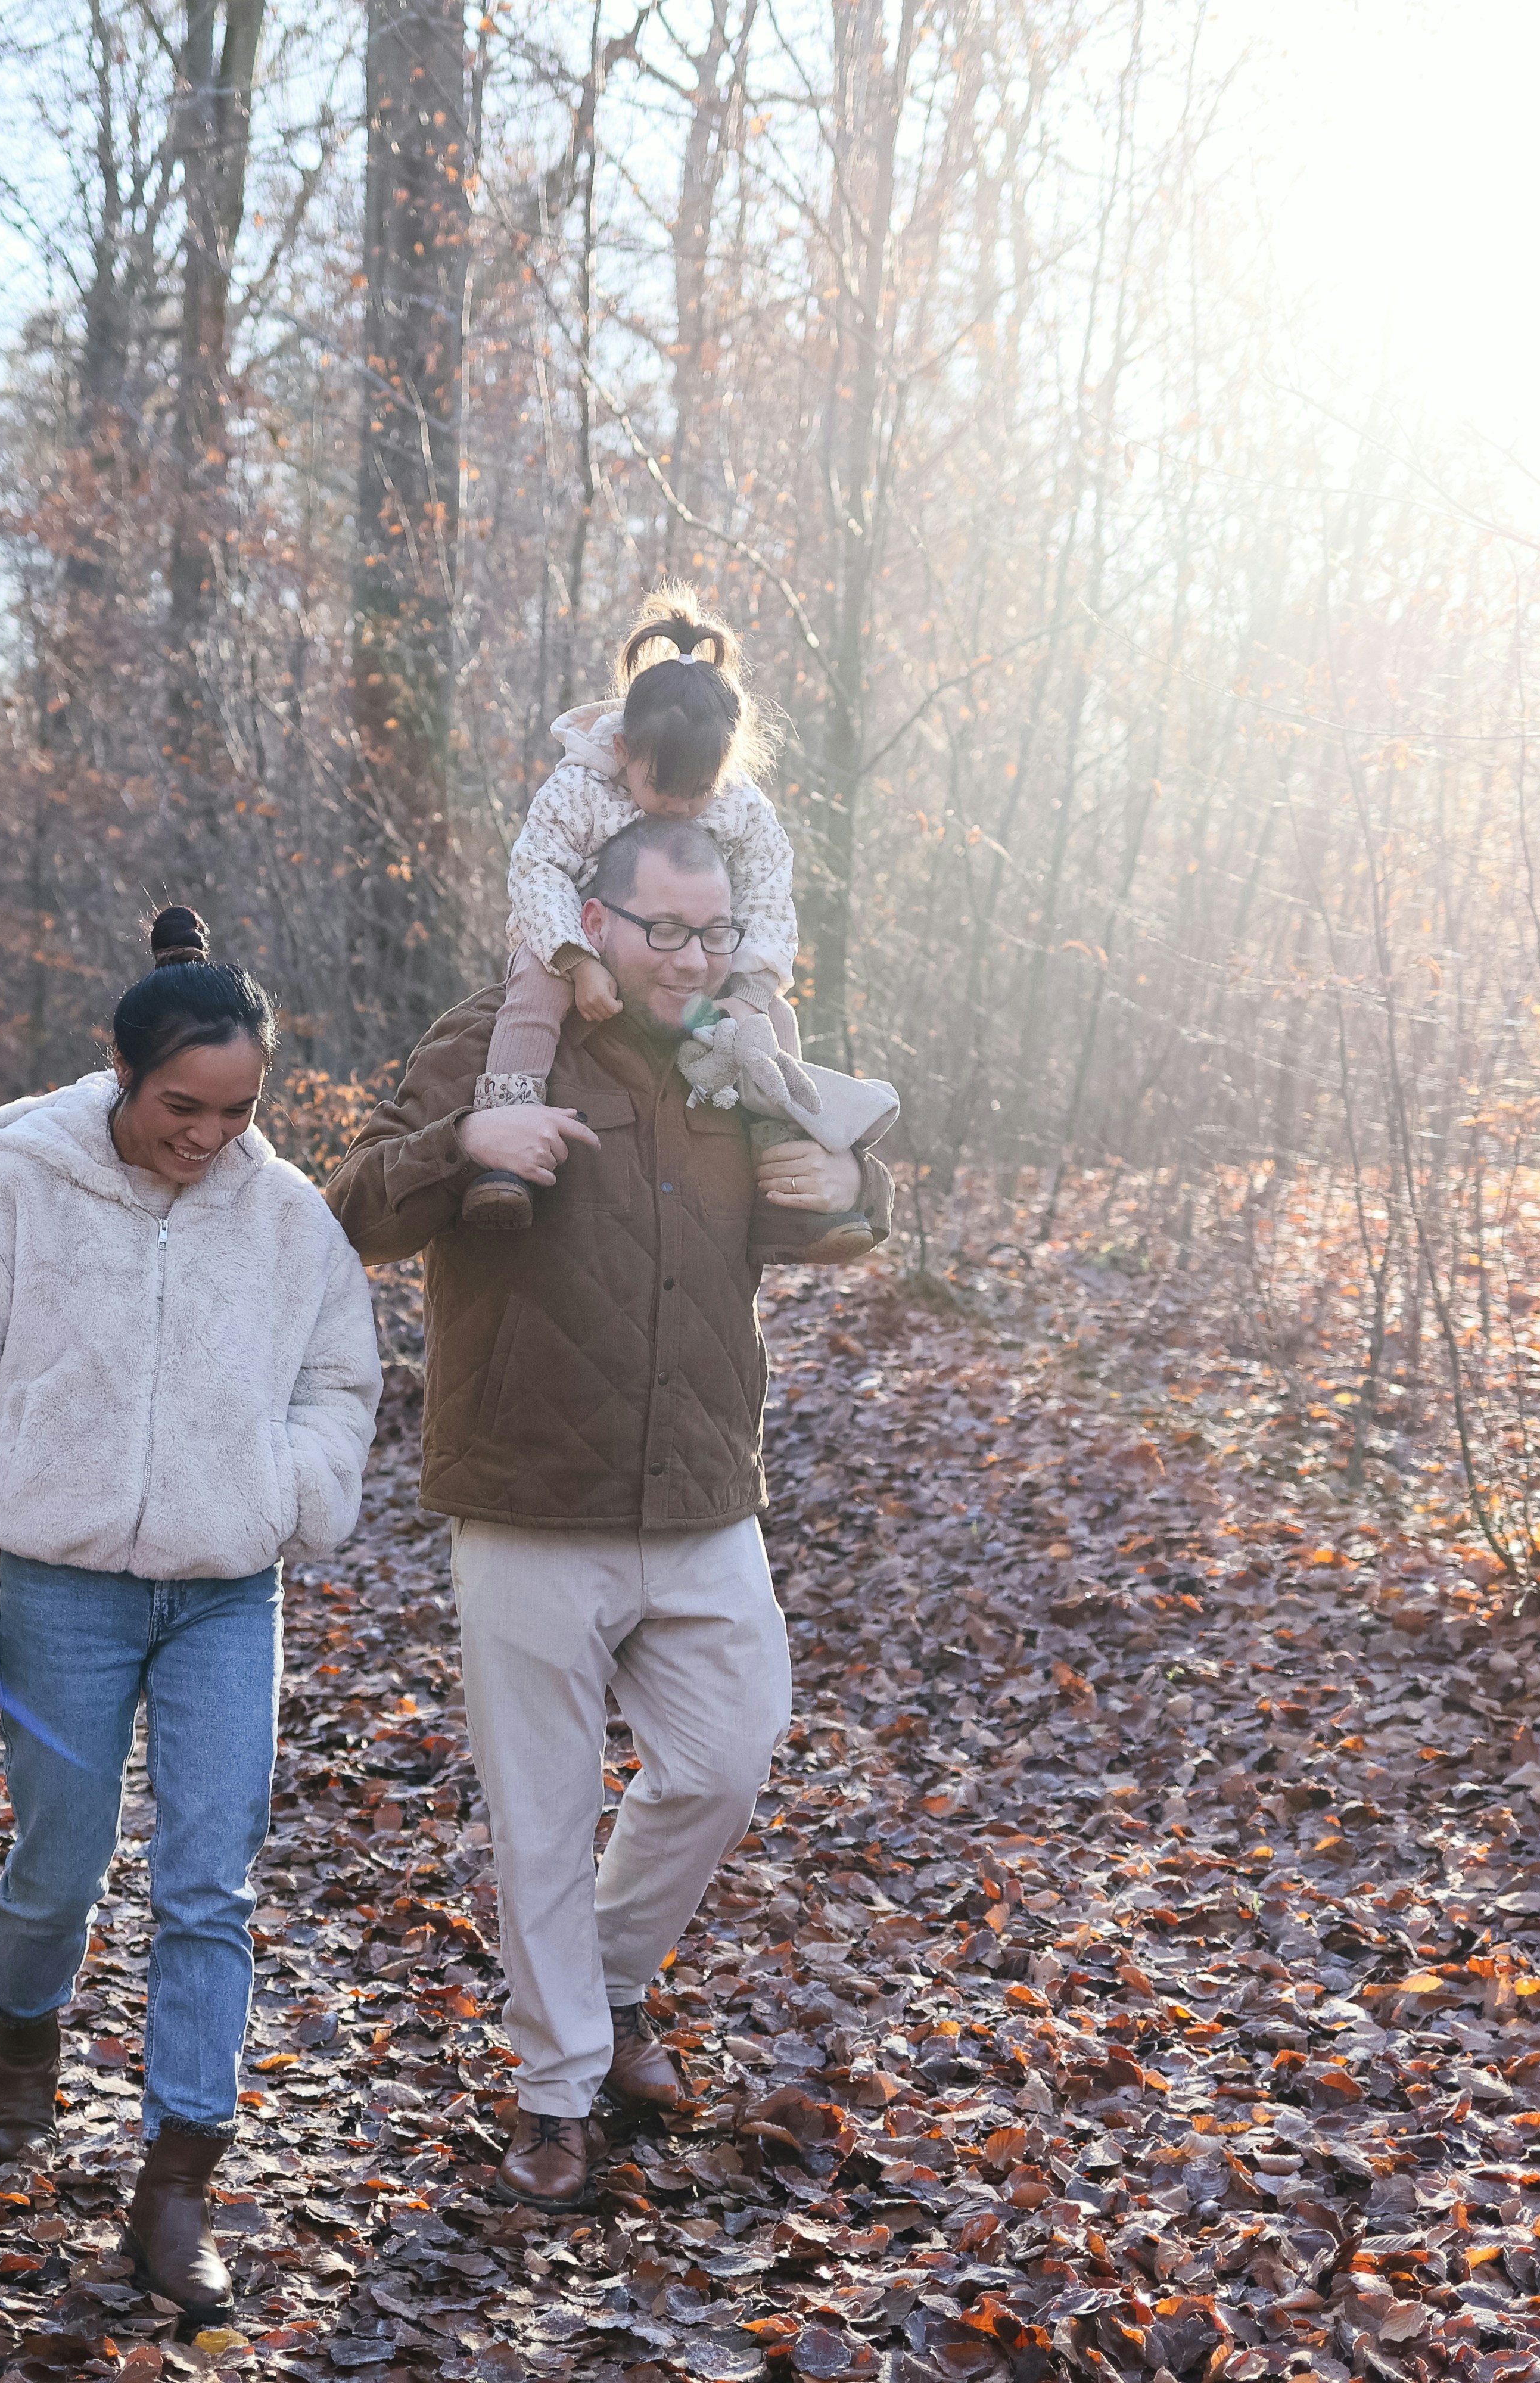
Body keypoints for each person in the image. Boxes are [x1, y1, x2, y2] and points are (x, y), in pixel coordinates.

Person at [322, 816, 891, 2213]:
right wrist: (469, 1136)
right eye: (663, 932)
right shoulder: (495, 1032)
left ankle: (613, 1984)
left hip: (702, 1485)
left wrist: (854, 1191)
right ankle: (557, 2090)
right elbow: (350, 1203)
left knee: (727, 1755)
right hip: (528, 1491)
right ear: (594, 917)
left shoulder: (744, 1045)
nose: (691, 960)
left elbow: (823, 1205)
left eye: (713, 933)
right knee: (542, 1813)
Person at [0, 907, 381, 2323]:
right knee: (57, 1861)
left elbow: (340, 1379)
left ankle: (177, 2177)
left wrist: (294, 1481)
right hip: (62, 1588)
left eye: (238, 1110)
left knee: (211, 1880)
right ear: (120, 1077)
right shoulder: (11, 1196)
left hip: (224, 1595)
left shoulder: (285, 1214)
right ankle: (22, 2072)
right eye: (181, 1107)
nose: (208, 1137)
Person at [465, 586, 876, 1261]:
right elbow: (537, 869)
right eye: (664, 790)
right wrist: (577, 959)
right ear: (625, 749)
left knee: (773, 1025)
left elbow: (772, 892)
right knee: (532, 994)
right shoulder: (579, 788)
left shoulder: (741, 809)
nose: (682, 808)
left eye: (700, 793)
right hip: (572, 936)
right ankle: (509, 1135)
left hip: (707, 952)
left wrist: (748, 987)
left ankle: (791, 1156)